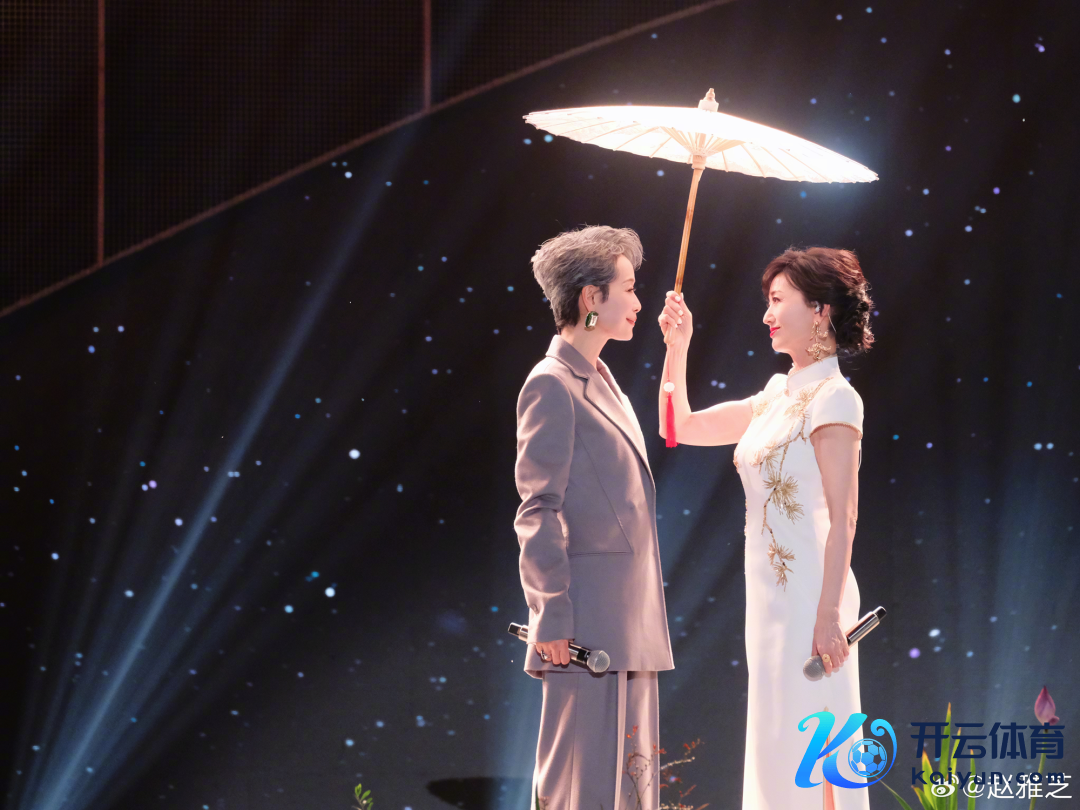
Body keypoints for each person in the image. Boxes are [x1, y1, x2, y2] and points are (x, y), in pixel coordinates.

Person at [656, 247, 874, 809]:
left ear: (821, 309)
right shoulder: (776, 394)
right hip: (770, 602)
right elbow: (680, 426)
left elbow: (845, 517)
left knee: (816, 741)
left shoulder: (836, 398)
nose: (767, 314)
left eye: (778, 300)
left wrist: (829, 616)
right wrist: (677, 347)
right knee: (779, 743)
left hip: (812, 602)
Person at [515, 226, 674, 810]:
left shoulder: (604, 382)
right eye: (628, 288)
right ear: (589, 297)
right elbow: (537, 508)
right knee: (580, 791)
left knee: (631, 791)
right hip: (582, 630)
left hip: (628, 622)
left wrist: (678, 347)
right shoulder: (551, 383)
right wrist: (551, 613)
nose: (637, 303)